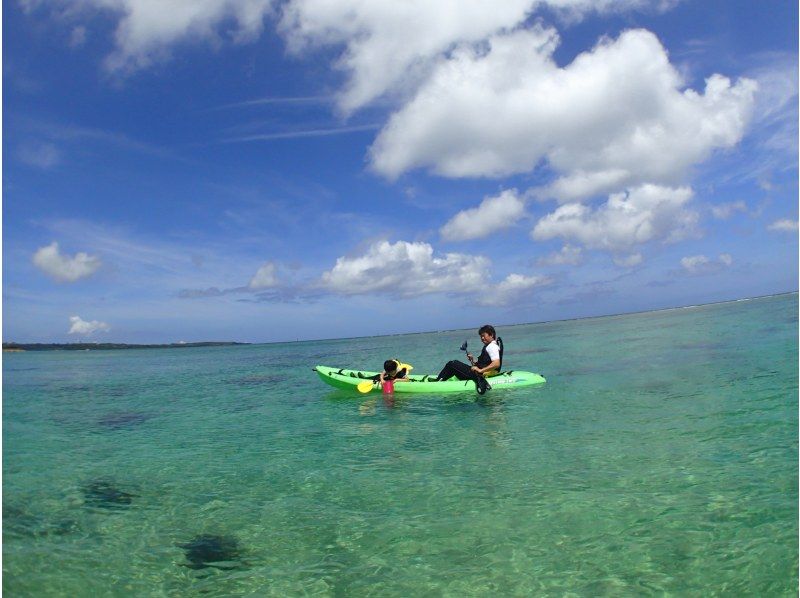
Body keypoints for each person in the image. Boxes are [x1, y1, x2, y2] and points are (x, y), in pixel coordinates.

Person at [434, 325, 502, 394]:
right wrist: (473, 360)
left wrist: (480, 370)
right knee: (453, 367)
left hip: (479, 374)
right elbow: (485, 363)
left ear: (491, 335)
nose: (482, 338)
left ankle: (437, 382)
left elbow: (496, 363)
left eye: (484, 336)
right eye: (481, 336)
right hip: (478, 373)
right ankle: (441, 380)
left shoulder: (492, 346)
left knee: (452, 364)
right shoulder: (489, 346)